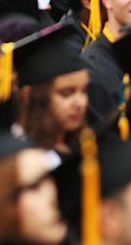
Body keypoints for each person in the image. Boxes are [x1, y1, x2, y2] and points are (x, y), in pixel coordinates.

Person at [14, 25, 90, 154]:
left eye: (83, 90)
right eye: (67, 93)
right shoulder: (22, 158)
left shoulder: (82, 141)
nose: (81, 103)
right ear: (28, 95)